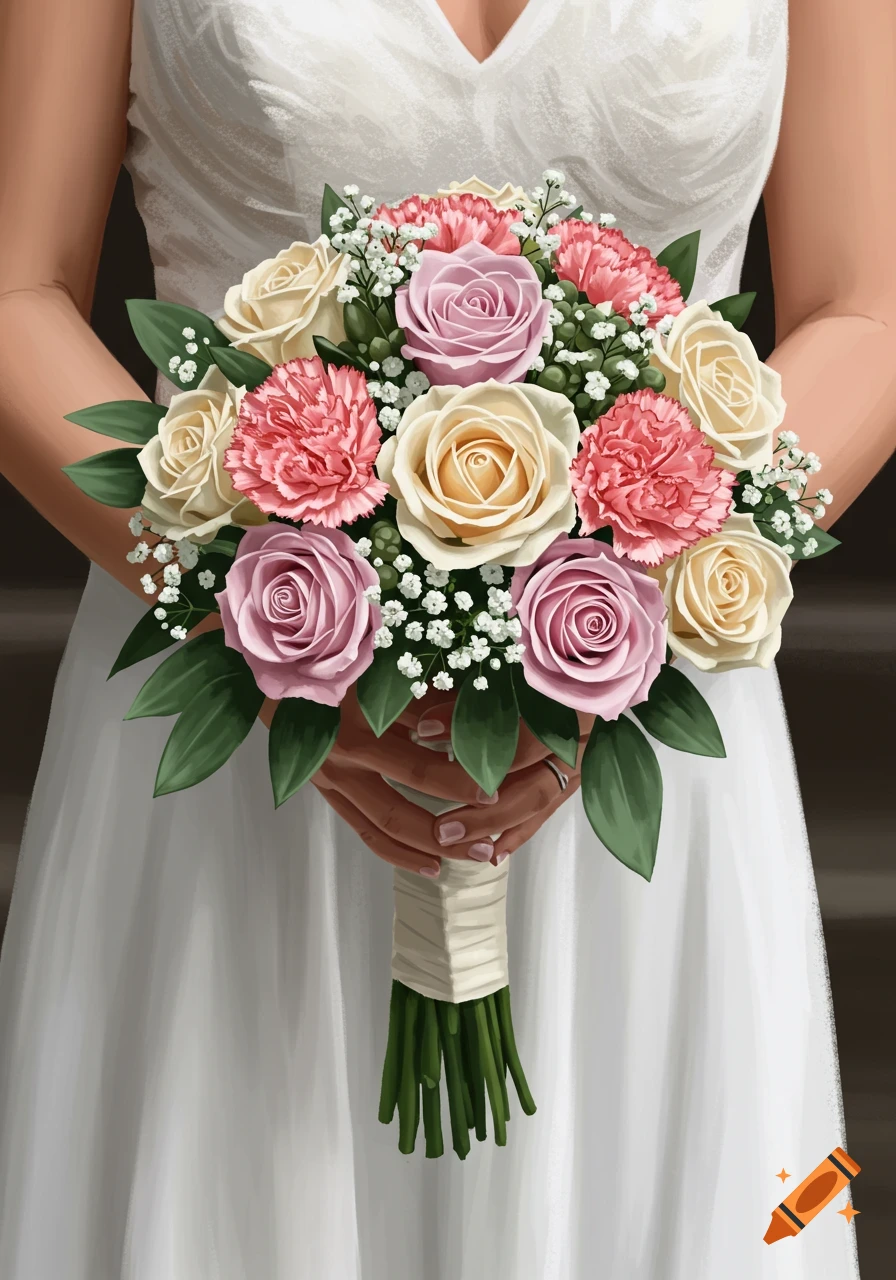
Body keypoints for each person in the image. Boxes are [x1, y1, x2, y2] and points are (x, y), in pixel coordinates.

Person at [0, 0, 891, 1275]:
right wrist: (256, 614)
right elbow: (13, 285)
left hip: (636, 724)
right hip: (236, 764)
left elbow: (864, 304)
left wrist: (639, 595)